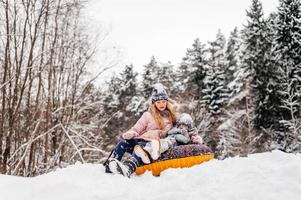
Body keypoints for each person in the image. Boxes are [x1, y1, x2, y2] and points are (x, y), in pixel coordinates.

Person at [105, 83, 178, 177]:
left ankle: (128, 168)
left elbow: (171, 133)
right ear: (154, 103)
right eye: (158, 102)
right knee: (123, 142)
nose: (161, 104)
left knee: (141, 148)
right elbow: (136, 128)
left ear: (167, 102)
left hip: (152, 146)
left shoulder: (171, 118)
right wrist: (131, 133)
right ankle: (111, 163)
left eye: (163, 101)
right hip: (140, 141)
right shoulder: (147, 115)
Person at [134, 113, 203, 164]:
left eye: (185, 126)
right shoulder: (174, 131)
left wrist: (197, 141)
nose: (183, 127)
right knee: (163, 142)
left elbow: (196, 140)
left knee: (168, 143)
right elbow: (168, 134)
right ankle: (146, 152)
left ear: (189, 127)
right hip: (171, 140)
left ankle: (156, 151)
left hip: (177, 144)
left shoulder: (191, 134)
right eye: (181, 125)